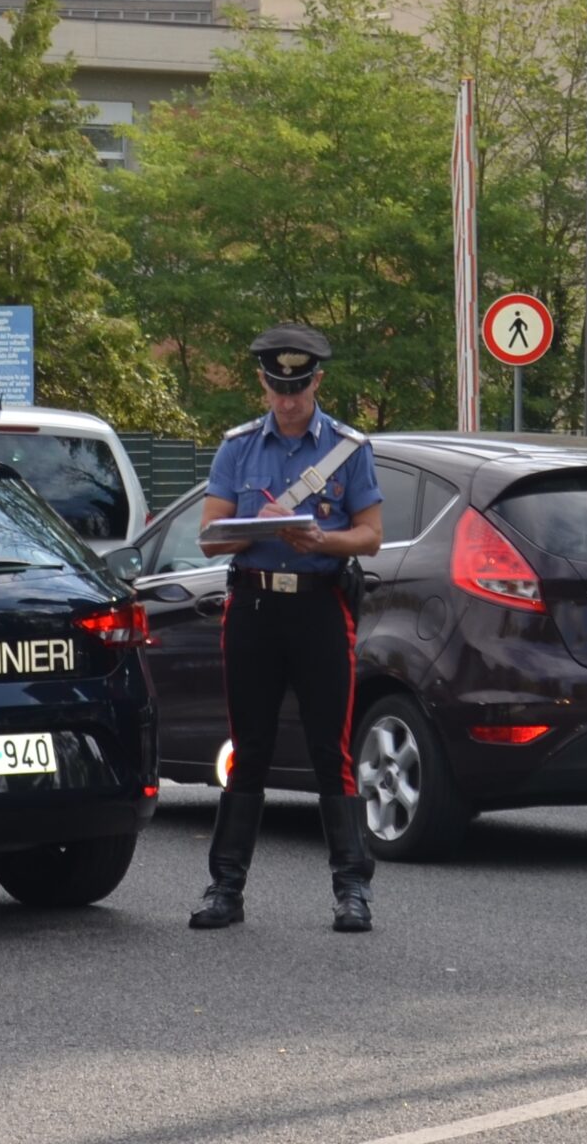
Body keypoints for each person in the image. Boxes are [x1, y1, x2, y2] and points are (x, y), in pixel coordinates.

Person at [187, 323, 385, 936]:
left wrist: (322, 539)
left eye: (298, 386)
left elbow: (370, 535)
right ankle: (225, 889)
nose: (289, 398)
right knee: (249, 749)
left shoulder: (349, 449)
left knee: (333, 751)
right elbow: (209, 533)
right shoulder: (238, 447)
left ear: (317, 381)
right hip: (253, 609)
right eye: (278, 386)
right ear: (263, 383)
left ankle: (352, 891)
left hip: (320, 606)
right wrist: (261, 523)